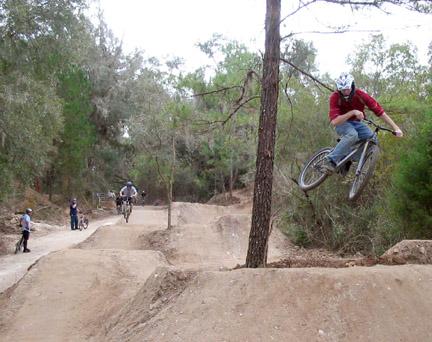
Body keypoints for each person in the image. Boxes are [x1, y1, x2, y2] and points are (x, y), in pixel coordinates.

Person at [322, 72, 403, 173]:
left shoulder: (360, 95)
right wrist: (353, 112)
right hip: (342, 123)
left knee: (373, 139)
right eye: (342, 90)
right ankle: (330, 161)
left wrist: (396, 128)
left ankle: (347, 157)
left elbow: (380, 112)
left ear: (352, 85)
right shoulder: (335, 97)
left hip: (356, 123)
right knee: (352, 135)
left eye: (347, 88)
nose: (345, 92)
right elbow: (334, 122)